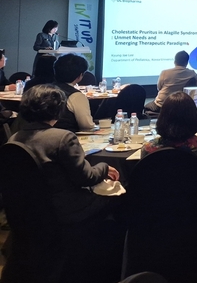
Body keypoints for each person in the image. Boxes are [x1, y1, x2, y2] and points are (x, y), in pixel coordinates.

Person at [9, 85, 120, 224]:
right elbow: (86, 178)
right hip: (66, 209)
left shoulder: (13, 139)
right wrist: (104, 168)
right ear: (58, 109)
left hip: (27, 211)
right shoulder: (63, 138)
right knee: (121, 192)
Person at [141, 92, 197, 182]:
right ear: (194, 117)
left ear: (162, 118)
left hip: (157, 190)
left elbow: (143, 178)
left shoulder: (148, 148)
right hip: (194, 190)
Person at [52, 53, 95, 132]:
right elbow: (87, 126)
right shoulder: (76, 96)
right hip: (68, 136)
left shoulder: (41, 89)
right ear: (80, 75)